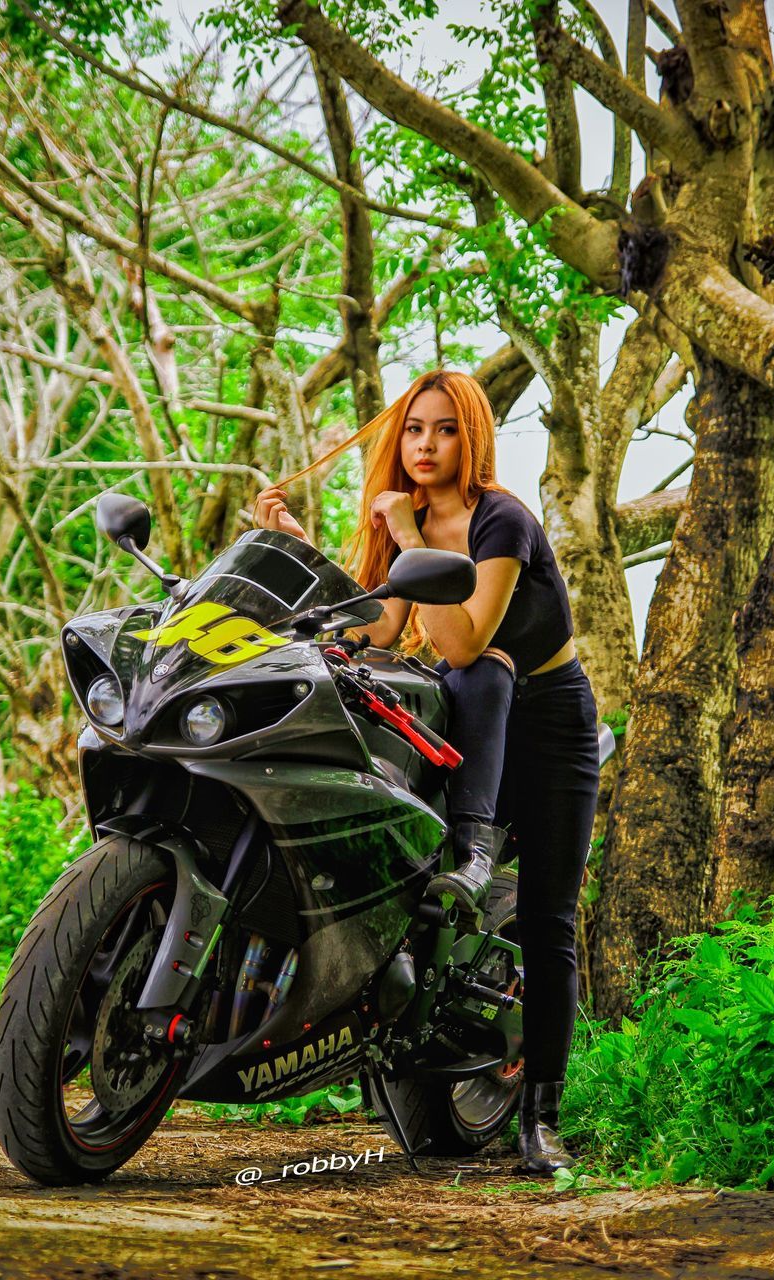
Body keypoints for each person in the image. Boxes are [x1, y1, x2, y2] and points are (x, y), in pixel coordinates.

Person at [253, 369, 600, 1174]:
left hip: (547, 729)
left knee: (549, 919)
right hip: (469, 729)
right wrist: (300, 545)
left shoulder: (500, 519)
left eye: (443, 430)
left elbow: (465, 642)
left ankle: (539, 1116)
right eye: (413, 430)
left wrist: (409, 535)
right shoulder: (400, 522)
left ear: (470, 437)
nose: (425, 446)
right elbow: (378, 633)